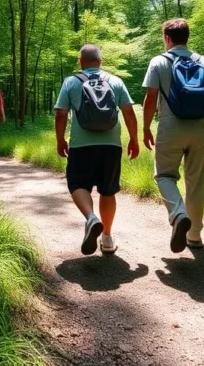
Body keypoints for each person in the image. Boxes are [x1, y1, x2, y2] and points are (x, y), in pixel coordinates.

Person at [141, 19, 204, 253]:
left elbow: (151, 98)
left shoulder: (159, 61)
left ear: (167, 38)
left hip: (171, 126)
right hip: (200, 127)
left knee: (163, 175)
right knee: (195, 182)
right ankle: (194, 236)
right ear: (187, 37)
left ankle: (178, 214)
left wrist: (145, 128)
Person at [54, 44, 139, 256]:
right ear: (100, 62)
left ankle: (91, 218)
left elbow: (61, 114)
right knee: (108, 190)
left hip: (81, 145)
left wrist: (60, 140)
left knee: (77, 183)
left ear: (80, 62)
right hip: (111, 145)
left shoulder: (71, 82)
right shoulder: (116, 81)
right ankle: (108, 239)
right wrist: (134, 139)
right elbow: (128, 112)